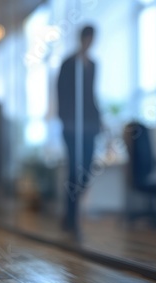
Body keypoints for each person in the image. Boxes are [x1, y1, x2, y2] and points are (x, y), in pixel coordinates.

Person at [57, 25, 102, 234]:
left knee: (86, 171)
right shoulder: (67, 63)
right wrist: (66, 121)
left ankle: (69, 215)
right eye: (88, 39)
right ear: (82, 38)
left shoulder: (93, 64)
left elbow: (92, 94)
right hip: (72, 126)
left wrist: (100, 120)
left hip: (90, 124)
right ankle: (71, 218)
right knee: (74, 171)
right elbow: (61, 94)